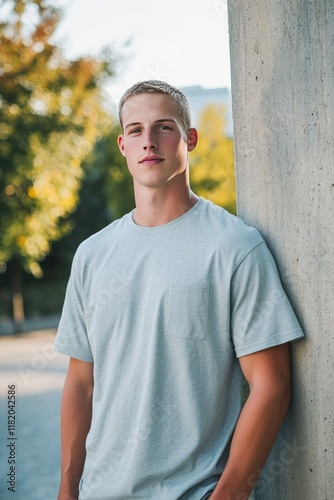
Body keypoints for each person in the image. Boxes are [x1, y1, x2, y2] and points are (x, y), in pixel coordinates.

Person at [55, 80, 304, 500]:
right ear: (122, 145)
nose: (148, 141)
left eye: (163, 127)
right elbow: (81, 382)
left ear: (190, 138)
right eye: (135, 130)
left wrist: (229, 494)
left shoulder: (234, 247)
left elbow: (272, 384)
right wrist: (67, 488)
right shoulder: (92, 254)